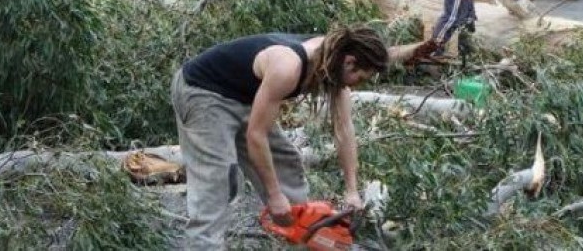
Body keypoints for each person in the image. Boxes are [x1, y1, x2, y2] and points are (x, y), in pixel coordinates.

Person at [170, 26, 419, 249]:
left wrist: (352, 191)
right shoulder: (288, 66)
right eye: (361, 78)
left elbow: (344, 130)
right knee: (218, 185)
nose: (358, 85)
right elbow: (256, 136)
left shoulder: (333, 60)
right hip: (203, 93)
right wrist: (274, 195)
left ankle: (304, 236)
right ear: (350, 62)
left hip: (245, 97)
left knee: (286, 163)